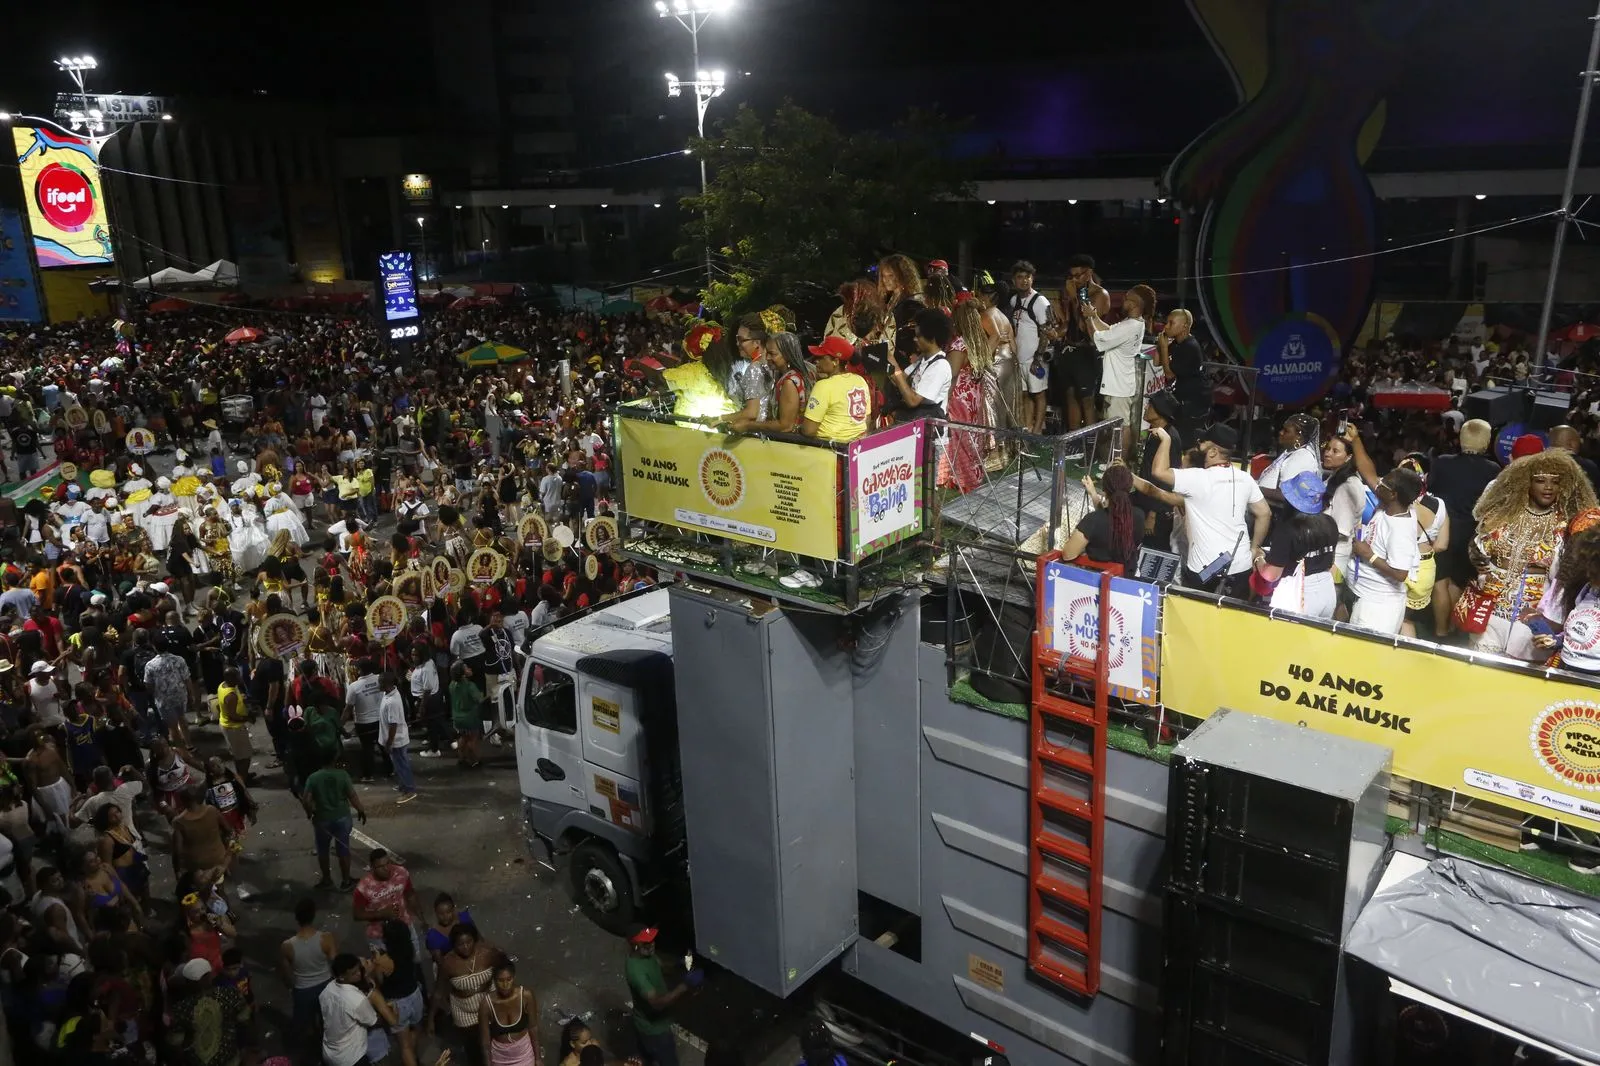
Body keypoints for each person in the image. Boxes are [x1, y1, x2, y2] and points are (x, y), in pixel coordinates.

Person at [1459, 450, 1595, 655]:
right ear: (1527, 482)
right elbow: (1478, 546)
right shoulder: (1503, 516)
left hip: (1532, 617)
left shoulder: (1564, 527)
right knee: (1481, 670)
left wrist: (1553, 620)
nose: (1548, 487)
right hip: (1489, 610)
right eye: (1540, 480)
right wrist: (1477, 556)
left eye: (1555, 482)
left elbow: (1563, 577)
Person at [1151, 424, 1270, 596]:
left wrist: (1166, 440)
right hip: (1240, 566)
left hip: (1203, 572)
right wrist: (1254, 548)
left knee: (1198, 620)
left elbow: (1159, 472)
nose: (1198, 446)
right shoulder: (1245, 478)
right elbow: (1264, 513)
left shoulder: (1197, 478)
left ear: (1213, 452)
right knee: (1233, 619)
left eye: (1202, 443)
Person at [1428, 417, 1501, 628]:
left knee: (1441, 581)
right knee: (1459, 582)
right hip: (1471, 534)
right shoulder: (1493, 469)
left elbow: (1432, 493)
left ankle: (1440, 631)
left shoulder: (1442, 462)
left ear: (1461, 439)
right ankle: (1453, 629)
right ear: (1486, 442)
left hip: (1444, 530)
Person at [1346, 467, 1424, 636]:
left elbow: (1401, 573)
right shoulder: (1390, 507)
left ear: (1393, 494)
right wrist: (1355, 440)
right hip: (1367, 599)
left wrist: (1369, 555)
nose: (1378, 483)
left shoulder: (1400, 529)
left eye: (1384, 483)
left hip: (1378, 609)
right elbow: (1369, 472)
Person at [1084, 283, 1157, 457]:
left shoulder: (1130, 326)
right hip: (1119, 383)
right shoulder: (1134, 323)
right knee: (1117, 425)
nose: (1123, 300)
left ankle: (1119, 463)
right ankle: (1116, 461)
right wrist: (1095, 316)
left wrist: (1088, 318)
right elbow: (1109, 330)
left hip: (1119, 386)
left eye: (1127, 298)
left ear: (1134, 304)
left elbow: (1099, 340)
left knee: (1121, 427)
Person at [1255, 471, 1339, 619]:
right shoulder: (1329, 523)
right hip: (1327, 590)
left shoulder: (1288, 529)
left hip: (1299, 592)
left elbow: (1271, 575)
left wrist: (1258, 559)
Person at [625, 925, 702, 1066]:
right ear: (634, 944)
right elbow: (657, 1003)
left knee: (646, 1057)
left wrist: (680, 964)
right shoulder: (637, 972)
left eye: (652, 940)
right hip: (654, 1030)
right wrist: (684, 986)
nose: (652, 944)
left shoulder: (647, 954)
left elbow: (661, 966)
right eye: (646, 942)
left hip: (645, 1024)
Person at [432, 923, 503, 1066]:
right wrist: (430, 1020)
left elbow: (505, 971)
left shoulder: (487, 953)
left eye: (468, 942)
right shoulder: (448, 963)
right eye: (460, 944)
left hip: (490, 1009)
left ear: (475, 940)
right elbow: (439, 992)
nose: (465, 947)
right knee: (474, 1051)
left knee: (495, 1045)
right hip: (465, 1015)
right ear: (454, 945)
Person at [165, 956, 252, 1066]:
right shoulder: (230, 994)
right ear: (209, 977)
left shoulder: (181, 1008)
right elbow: (245, 1019)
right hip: (230, 1058)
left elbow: (175, 1042)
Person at [1061, 465, 1144, 573]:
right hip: (1127, 577)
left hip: (1097, 581)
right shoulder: (1139, 516)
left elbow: (1068, 555)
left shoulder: (1092, 521)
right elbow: (1113, 518)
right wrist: (1093, 494)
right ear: (1130, 487)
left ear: (1104, 490)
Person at [302, 756, 367, 891]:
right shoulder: (342, 775)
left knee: (323, 850)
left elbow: (306, 800)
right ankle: (346, 881)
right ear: (334, 760)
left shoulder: (313, 778)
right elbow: (352, 795)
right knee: (343, 850)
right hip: (342, 818)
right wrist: (360, 809)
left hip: (322, 819)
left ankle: (327, 880)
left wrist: (310, 813)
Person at [282, 896, 338, 1051]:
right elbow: (335, 962)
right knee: (327, 1021)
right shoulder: (326, 938)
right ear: (313, 915)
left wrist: (291, 987)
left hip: (302, 990)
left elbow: (286, 973)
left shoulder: (287, 946)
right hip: (325, 985)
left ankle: (311, 1052)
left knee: (305, 1026)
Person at [1008, 260, 1054, 434]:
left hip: (1036, 358)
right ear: (1014, 280)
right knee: (1024, 394)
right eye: (1020, 277)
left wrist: (1038, 357)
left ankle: (1037, 431)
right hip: (1019, 358)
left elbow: (1047, 331)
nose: (1024, 281)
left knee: (1039, 394)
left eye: (1027, 277)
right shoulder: (1014, 301)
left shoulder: (1040, 301)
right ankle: (1027, 428)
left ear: (1032, 279)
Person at [800, 337, 871, 444]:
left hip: (830, 451)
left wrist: (797, 428)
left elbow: (809, 431)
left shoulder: (823, 386)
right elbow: (867, 419)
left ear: (835, 361)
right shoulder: (860, 380)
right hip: (856, 448)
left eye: (821, 357)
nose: (816, 361)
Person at [352, 848, 419, 954]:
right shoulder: (364, 887)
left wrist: (420, 916)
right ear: (372, 867)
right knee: (387, 969)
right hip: (379, 937)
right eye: (380, 867)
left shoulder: (401, 873)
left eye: (388, 863)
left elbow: (410, 893)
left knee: (415, 961)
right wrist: (381, 914)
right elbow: (357, 914)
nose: (386, 868)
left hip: (405, 927)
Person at [1154, 308, 1207, 439]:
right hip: (1181, 399)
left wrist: (1165, 347)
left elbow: (1169, 375)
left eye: (1171, 323)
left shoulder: (1190, 346)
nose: (1166, 326)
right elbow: (1157, 362)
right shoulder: (1177, 343)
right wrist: (1160, 345)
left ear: (1184, 326)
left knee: (1183, 440)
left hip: (1192, 403)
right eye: (1166, 322)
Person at [321, 953, 381, 1066]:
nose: (359, 974)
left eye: (359, 969)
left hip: (330, 1052)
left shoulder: (328, 989)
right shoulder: (356, 999)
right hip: (351, 1058)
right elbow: (374, 1021)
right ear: (341, 976)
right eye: (354, 973)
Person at [1256, 413, 1321, 513]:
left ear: (1298, 436)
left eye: (1286, 431)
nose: (1281, 433)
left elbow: (1287, 495)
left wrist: (1255, 488)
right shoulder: (1291, 452)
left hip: (1277, 515)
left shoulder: (1301, 457)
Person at [480, 960, 539, 1066]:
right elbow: (485, 1041)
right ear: (494, 981)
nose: (505, 984)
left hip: (524, 1054)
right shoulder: (486, 1004)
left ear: (514, 977)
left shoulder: (526, 996)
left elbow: (533, 1027)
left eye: (509, 979)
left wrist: (538, 1059)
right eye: (500, 980)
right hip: (500, 1057)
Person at [379, 671, 418, 802]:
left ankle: (409, 790)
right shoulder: (389, 694)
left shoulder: (392, 702)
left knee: (402, 765)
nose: (378, 684)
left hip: (397, 740)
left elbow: (393, 725)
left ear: (386, 684)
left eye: (380, 682)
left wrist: (389, 743)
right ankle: (403, 785)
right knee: (398, 764)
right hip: (395, 738)